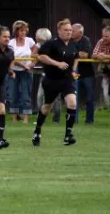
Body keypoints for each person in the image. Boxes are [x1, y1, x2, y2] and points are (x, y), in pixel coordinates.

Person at [32, 19, 79, 147]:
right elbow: (41, 57)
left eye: (70, 30)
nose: (69, 32)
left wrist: (73, 70)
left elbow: (76, 57)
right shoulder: (51, 44)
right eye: (66, 30)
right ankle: (37, 131)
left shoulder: (74, 45)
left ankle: (68, 135)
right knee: (47, 107)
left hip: (67, 79)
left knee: (72, 103)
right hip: (52, 80)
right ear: (59, 31)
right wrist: (57, 64)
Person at [7, 20, 36, 124]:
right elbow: (11, 58)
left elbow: (36, 54)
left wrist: (31, 64)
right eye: (21, 30)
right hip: (14, 70)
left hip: (27, 71)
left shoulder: (30, 41)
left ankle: (25, 118)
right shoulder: (11, 43)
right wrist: (23, 65)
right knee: (13, 94)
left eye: (25, 30)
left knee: (25, 94)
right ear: (16, 31)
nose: (23, 32)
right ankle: (14, 118)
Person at [34, 28, 61, 123]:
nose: (36, 38)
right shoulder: (39, 46)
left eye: (38, 36)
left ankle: (56, 119)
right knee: (40, 96)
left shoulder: (53, 46)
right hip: (44, 75)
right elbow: (33, 55)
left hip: (55, 76)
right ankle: (40, 118)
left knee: (55, 98)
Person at [72, 23, 96, 124]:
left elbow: (85, 55)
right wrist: (77, 54)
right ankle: (73, 119)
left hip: (87, 74)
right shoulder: (69, 41)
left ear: (80, 33)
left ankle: (89, 120)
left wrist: (73, 53)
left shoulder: (85, 41)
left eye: (73, 31)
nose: (71, 32)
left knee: (89, 97)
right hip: (74, 73)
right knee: (73, 96)